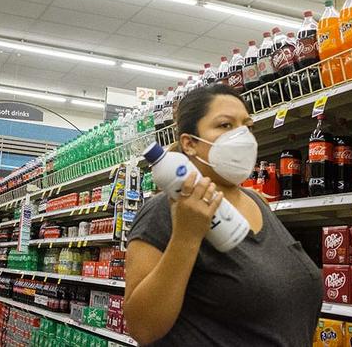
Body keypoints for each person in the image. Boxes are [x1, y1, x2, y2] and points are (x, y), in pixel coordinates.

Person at [125, 84, 323, 346]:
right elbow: (142, 327)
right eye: (226, 125)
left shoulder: (256, 201)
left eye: (247, 126)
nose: (242, 136)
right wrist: (186, 236)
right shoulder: (166, 210)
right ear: (190, 143)